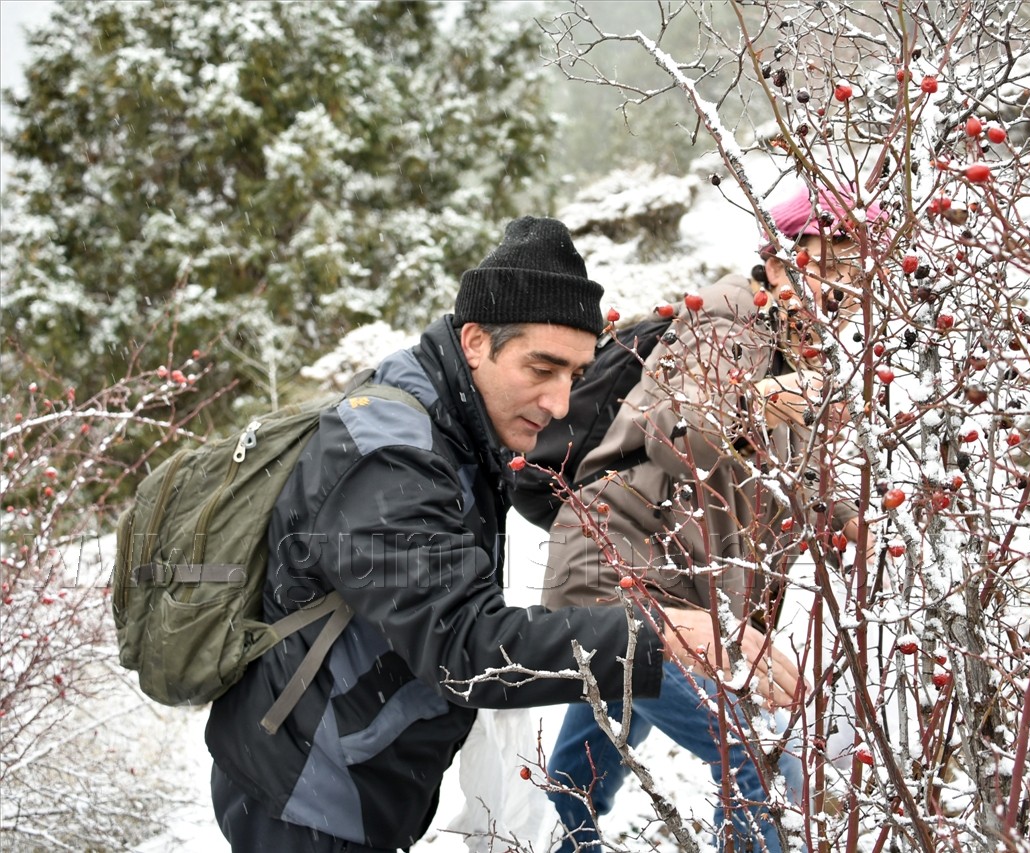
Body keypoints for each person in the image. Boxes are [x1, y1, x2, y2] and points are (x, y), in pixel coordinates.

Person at [204, 216, 802, 853]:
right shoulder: (391, 449)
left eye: (574, 374)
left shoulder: (452, 420)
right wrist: (660, 635)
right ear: (474, 342)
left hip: (351, 774)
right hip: (306, 795)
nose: (559, 402)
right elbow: (465, 645)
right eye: (541, 368)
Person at [540, 186, 877, 853]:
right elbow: (677, 432)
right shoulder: (729, 318)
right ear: (780, 262)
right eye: (832, 265)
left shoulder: (801, 351)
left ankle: (555, 842)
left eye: (857, 272)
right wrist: (761, 404)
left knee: (588, 761)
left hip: (675, 591)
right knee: (761, 768)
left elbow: (796, 475)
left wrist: (851, 521)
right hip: (621, 578)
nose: (847, 287)